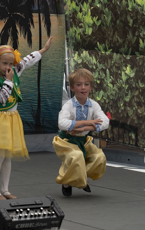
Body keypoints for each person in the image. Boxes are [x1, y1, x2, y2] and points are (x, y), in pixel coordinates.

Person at [0, 38, 53, 200]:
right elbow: (2, 98)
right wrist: (8, 82)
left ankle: (5, 189)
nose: (8, 67)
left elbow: (26, 61)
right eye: (4, 64)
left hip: (12, 119)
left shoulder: (14, 71)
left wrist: (43, 50)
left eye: (11, 64)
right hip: (0, 121)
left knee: (7, 156)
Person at [53, 68, 110, 197]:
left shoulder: (94, 105)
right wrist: (89, 122)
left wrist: (85, 128)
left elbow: (105, 122)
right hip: (67, 140)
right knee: (77, 157)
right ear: (72, 88)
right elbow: (62, 124)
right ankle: (67, 184)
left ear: (90, 87)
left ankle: (81, 177)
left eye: (86, 84)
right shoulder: (68, 105)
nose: (83, 88)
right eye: (79, 85)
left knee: (99, 158)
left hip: (83, 140)